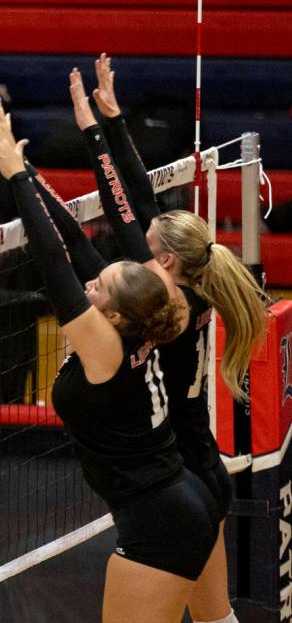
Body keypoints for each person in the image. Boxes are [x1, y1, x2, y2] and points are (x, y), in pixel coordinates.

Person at [0, 91, 221, 623]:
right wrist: (21, 168)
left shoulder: (106, 349)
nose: (91, 283)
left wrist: (17, 178)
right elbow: (72, 241)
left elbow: (52, 261)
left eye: (98, 289)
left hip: (161, 516)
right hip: (180, 496)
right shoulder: (138, 319)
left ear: (112, 315)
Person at [64, 54, 268, 623]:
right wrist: (112, 118)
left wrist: (91, 130)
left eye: (147, 248)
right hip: (205, 471)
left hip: (179, 481)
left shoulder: (161, 303)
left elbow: (120, 203)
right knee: (216, 619)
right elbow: (141, 204)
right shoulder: (192, 284)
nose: (138, 251)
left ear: (166, 260)